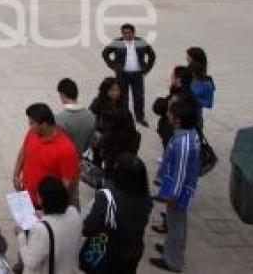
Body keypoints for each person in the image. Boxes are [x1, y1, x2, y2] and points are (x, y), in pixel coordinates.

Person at [149, 100, 200, 272]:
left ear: (178, 120)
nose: (168, 116)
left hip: (178, 192)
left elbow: (180, 174)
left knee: (176, 224)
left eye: (171, 114)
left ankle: (173, 260)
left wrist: (171, 196)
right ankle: (171, 249)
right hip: (176, 188)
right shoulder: (185, 134)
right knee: (175, 222)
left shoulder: (183, 143)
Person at [83, 154, 152, 274]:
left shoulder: (108, 196)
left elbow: (89, 228)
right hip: (134, 252)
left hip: (108, 255)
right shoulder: (146, 198)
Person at [12, 103, 79, 209]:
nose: (29, 126)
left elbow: (67, 184)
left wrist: (49, 208)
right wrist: (16, 175)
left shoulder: (66, 149)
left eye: (32, 123)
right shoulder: (32, 133)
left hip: (44, 206)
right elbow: (23, 152)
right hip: (25, 197)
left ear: (44, 125)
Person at [17, 177, 83, 274]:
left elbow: (30, 261)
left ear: (41, 200)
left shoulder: (42, 229)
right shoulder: (74, 213)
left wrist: (21, 236)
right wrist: (43, 215)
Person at [101, 23, 156, 127]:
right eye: (124, 33)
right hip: (123, 74)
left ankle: (139, 117)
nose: (127, 35)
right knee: (123, 97)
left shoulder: (141, 42)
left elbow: (152, 55)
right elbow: (105, 53)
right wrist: (113, 65)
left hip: (137, 74)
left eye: (129, 33)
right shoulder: (118, 42)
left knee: (139, 96)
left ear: (133, 33)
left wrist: (147, 68)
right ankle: (124, 117)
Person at [152, 66, 198, 150]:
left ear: (178, 79)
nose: (171, 77)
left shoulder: (181, 97)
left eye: (173, 75)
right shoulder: (179, 91)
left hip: (176, 132)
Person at [54, 78, 96, 157]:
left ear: (62, 95)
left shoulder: (59, 119)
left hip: (65, 159)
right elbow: (90, 141)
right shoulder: (90, 116)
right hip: (81, 157)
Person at [184, 47, 215, 126]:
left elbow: (209, 103)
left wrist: (193, 99)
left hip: (193, 115)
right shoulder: (188, 73)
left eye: (188, 56)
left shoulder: (206, 83)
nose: (186, 58)